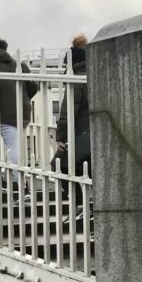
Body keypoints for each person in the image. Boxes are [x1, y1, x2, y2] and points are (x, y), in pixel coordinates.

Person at [0, 38, 39, 181]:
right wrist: (24, 99)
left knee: (13, 146)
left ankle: (21, 183)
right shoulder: (20, 65)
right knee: (16, 145)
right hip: (23, 111)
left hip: (5, 113)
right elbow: (33, 87)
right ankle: (12, 178)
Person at [52, 34, 91, 207]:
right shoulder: (98, 75)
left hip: (81, 133)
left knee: (58, 164)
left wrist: (60, 136)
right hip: (98, 133)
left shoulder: (75, 79)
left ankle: (80, 204)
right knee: (88, 169)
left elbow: (68, 111)